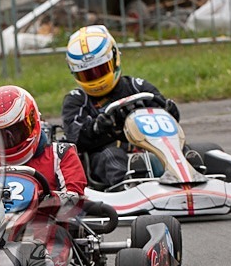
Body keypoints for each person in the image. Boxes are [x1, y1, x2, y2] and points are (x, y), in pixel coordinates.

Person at [61, 25, 180, 187]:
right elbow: (74, 138)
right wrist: (97, 128)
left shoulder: (138, 87)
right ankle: (126, 188)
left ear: (114, 58)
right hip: (104, 157)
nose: (96, 79)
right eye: (87, 74)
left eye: (101, 70)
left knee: (183, 150)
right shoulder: (76, 100)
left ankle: (192, 176)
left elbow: (168, 119)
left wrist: (170, 111)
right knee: (113, 156)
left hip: (151, 149)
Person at [0, 85, 87, 196]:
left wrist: (43, 198)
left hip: (48, 211)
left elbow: (74, 199)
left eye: (16, 130)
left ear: (33, 121)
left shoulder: (61, 155)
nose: (8, 141)